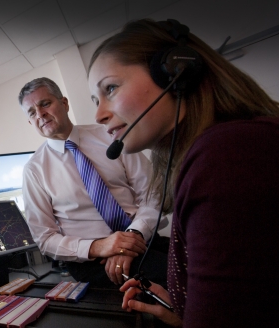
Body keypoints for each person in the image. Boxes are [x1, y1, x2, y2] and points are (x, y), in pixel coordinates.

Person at [88, 19, 279, 327]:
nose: (99, 114)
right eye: (96, 101)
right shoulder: (223, 150)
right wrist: (187, 311)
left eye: (110, 88)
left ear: (176, 72)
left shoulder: (227, 155)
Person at [19, 77, 168, 287]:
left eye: (45, 104)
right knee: (177, 276)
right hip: (91, 259)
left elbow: (153, 191)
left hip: (142, 237)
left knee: (198, 256)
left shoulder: (111, 135)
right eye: (32, 112)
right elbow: (45, 239)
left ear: (64, 103)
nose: (40, 114)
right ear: (30, 122)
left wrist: (133, 236)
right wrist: (100, 246)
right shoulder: (34, 170)